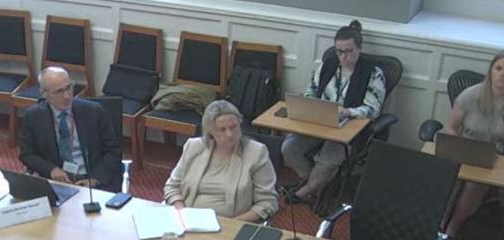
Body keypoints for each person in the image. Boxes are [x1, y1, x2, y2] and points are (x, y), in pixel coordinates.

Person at [281, 20, 386, 205]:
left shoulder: (373, 73)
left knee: (329, 159)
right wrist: (307, 105)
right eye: (339, 51)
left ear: (359, 49)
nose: (343, 56)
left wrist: (347, 112)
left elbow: (372, 109)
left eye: (348, 51)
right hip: (318, 123)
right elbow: (310, 92)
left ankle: (305, 191)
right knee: (289, 148)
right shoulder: (327, 66)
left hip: (348, 129)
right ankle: (314, 182)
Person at [441, 51, 504, 240]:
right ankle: (437, 226)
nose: (502, 74)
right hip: (465, 147)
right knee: (449, 178)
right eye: (498, 68)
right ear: (491, 71)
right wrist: (453, 145)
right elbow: (450, 127)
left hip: (494, 156)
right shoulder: (471, 95)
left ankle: (451, 230)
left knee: (475, 185)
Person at [163, 100, 278, 222]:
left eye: (234, 127)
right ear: (210, 132)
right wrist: (182, 215)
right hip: (190, 220)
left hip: (232, 223)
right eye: (222, 129)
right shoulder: (193, 147)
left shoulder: (256, 152)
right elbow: (172, 186)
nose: (230, 134)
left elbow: (267, 202)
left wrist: (232, 224)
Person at [19, 67, 122, 193]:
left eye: (69, 87)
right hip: (57, 180)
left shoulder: (94, 112)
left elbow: (113, 151)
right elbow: (27, 154)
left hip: (91, 178)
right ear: (44, 93)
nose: (67, 96)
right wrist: (51, 170)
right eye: (59, 91)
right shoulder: (33, 117)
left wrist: (95, 179)